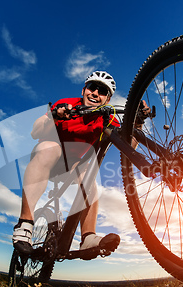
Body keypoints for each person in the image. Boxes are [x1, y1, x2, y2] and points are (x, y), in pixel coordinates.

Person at [12, 71, 122, 255]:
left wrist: (139, 123)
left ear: (107, 99)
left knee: (90, 176)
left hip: (72, 167)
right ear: (83, 90)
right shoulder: (68, 104)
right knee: (50, 147)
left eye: (102, 91)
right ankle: (25, 222)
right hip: (46, 157)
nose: (95, 93)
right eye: (92, 87)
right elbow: (35, 132)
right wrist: (54, 115)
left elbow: (128, 146)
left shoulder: (106, 117)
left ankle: (88, 237)